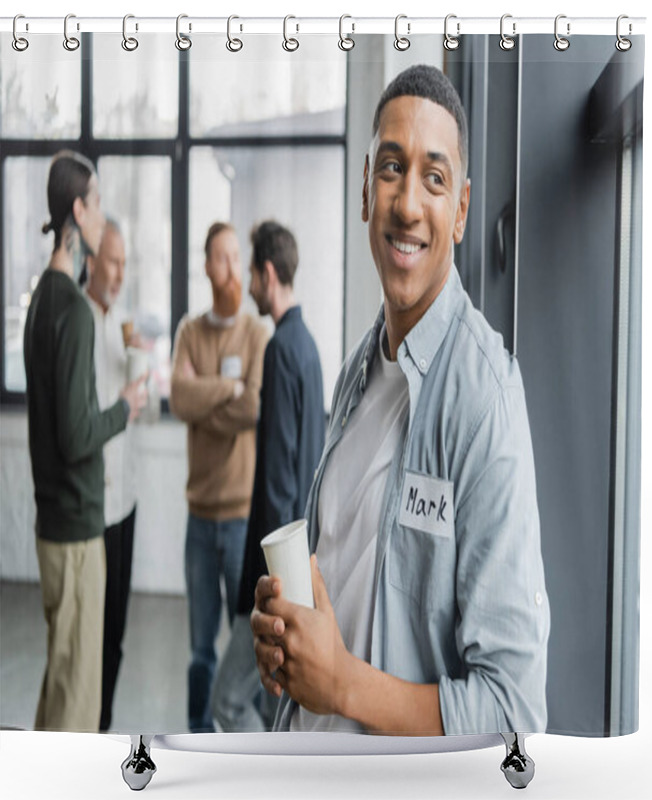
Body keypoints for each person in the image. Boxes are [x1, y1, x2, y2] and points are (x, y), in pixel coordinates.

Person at [251, 65, 550, 735]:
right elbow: (345, 590)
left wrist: (343, 685)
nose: (408, 203)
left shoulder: (485, 400)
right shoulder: (359, 368)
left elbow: (514, 714)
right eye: (391, 168)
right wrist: (288, 639)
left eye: (434, 178)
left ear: (462, 210)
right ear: (365, 190)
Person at [23, 151, 146, 732]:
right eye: (96, 204)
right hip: (76, 535)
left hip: (53, 528)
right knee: (76, 708)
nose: (101, 215)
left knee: (60, 683)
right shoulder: (70, 308)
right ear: (78, 209)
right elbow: (76, 436)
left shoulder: (41, 297)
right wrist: (125, 407)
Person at [210, 221, 325, 732]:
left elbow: (278, 481)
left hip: (272, 573)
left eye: (254, 274)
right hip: (297, 562)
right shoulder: (308, 346)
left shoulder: (280, 349)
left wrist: (267, 588)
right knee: (269, 703)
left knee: (228, 702)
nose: (250, 285)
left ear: (267, 273)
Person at [169, 222, 268, 733]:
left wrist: (208, 398)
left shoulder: (256, 332)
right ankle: (196, 742)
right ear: (207, 265)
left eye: (236, 258)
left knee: (252, 644)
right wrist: (224, 390)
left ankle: (262, 751)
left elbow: (252, 405)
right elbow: (178, 399)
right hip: (198, 518)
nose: (229, 269)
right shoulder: (189, 330)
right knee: (200, 649)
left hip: (239, 521)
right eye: (220, 258)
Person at [83, 219, 140, 732]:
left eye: (125, 262)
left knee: (116, 631)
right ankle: (87, 730)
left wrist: (140, 372)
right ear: (91, 261)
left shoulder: (121, 321)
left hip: (126, 500)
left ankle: (103, 724)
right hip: (91, 509)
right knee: (90, 635)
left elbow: (133, 408)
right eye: (114, 261)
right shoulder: (79, 322)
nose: (121, 273)